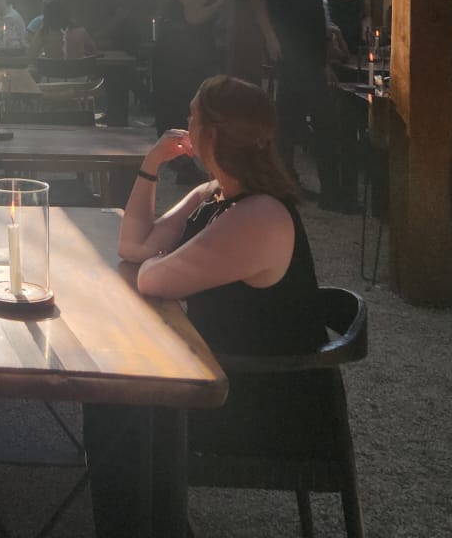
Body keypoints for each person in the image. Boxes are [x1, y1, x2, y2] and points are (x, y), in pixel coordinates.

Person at [82, 75, 326, 535]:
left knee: (117, 397)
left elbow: (151, 278)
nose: (186, 127)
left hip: (262, 402)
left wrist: (158, 260)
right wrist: (151, 164)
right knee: (109, 395)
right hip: (218, 371)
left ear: (210, 135)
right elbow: (134, 246)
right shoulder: (215, 195)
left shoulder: (259, 217)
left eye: (192, 117)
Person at [249, 0, 357, 210]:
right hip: (298, 59)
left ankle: (287, 184)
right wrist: (270, 38)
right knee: (322, 125)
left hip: (308, 57)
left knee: (290, 124)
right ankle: (327, 193)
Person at [152, 0, 223, 135]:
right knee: (186, 103)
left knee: (171, 103)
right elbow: (193, 17)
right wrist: (217, 3)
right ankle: (183, 155)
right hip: (188, 54)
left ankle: (172, 152)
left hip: (170, 48)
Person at [28, 0, 98, 60]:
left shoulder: (44, 33)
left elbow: (31, 55)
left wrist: (43, 27)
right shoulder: (81, 32)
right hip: (78, 72)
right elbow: (94, 52)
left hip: (52, 72)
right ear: (67, 14)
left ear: (46, 16)